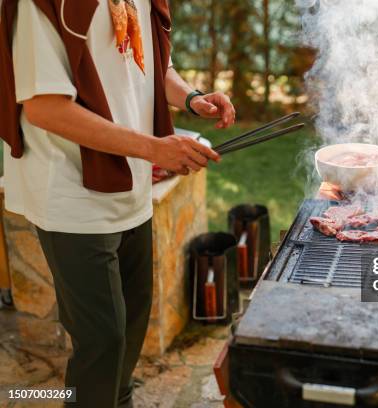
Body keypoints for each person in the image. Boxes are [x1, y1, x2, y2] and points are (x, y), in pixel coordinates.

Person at [0, 0, 235, 406]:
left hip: (130, 183)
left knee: (130, 328)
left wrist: (192, 98)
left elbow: (151, 68)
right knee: (101, 341)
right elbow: (44, 108)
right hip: (70, 194)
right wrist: (153, 149)